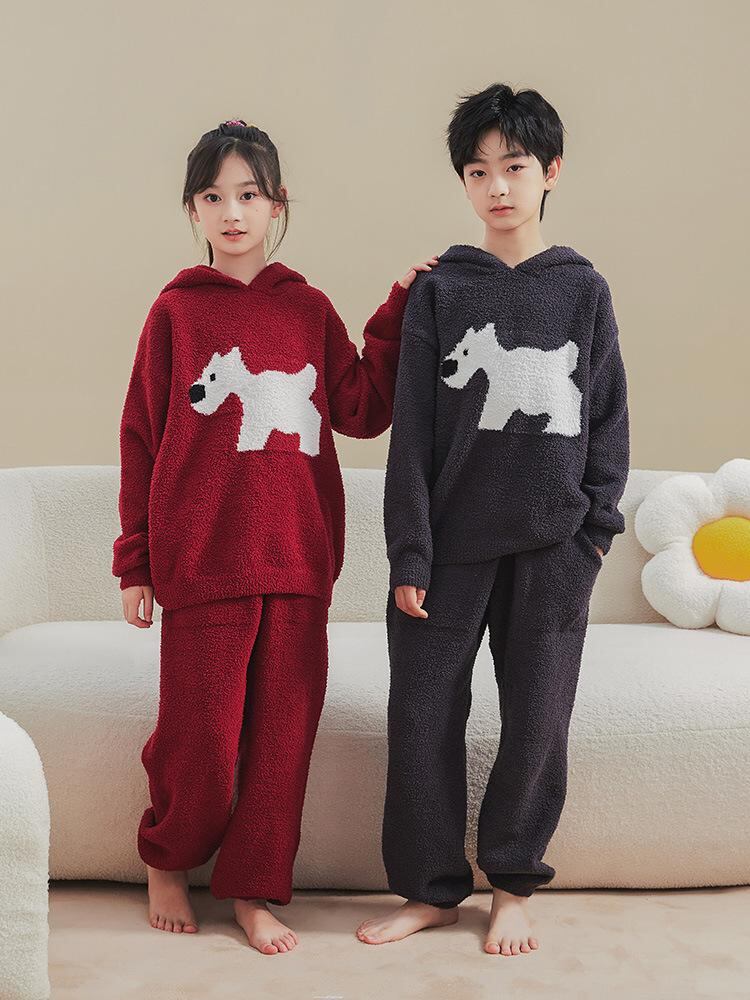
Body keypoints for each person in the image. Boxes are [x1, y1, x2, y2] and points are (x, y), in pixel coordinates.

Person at [112, 118, 439, 955]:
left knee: (282, 742)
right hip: (202, 561)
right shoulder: (175, 312)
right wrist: (135, 562)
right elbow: (142, 436)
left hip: (297, 560)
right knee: (200, 738)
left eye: (248, 194)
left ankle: (254, 891)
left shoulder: (308, 309)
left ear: (277, 205)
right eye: (213, 196)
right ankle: (167, 858)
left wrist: (398, 309)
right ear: (193, 209)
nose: (232, 211)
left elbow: (360, 409)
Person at [356, 83, 630, 956]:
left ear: (551, 171)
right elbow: (411, 434)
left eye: (513, 167)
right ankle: (430, 890)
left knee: (538, 720)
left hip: (554, 548)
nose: (497, 187)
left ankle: (513, 886)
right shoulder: (442, 291)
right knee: (420, 718)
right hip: (447, 548)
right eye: (478, 172)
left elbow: (608, 418)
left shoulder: (582, 290)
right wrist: (410, 550)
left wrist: (593, 534)